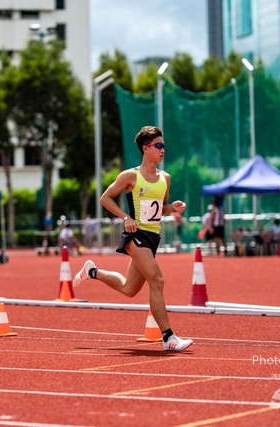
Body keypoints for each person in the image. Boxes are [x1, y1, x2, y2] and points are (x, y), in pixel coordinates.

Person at [73, 126, 192, 352]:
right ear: (146, 148)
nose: (163, 149)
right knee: (157, 281)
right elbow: (105, 199)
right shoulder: (130, 176)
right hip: (136, 235)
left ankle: (92, 272)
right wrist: (126, 217)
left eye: (164, 145)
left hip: (153, 238)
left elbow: (160, 210)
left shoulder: (165, 178)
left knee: (129, 289)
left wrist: (173, 207)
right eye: (158, 146)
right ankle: (168, 338)